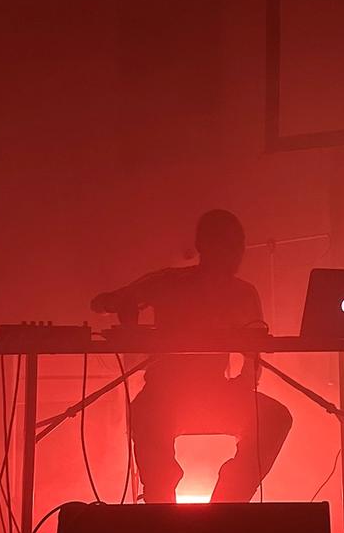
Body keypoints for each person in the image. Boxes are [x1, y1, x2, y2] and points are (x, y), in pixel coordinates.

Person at [91, 209, 292, 503]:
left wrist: (245, 382)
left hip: (212, 393)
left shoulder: (242, 293)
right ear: (203, 245)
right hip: (166, 393)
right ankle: (163, 512)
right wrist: (125, 309)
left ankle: (225, 507)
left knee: (274, 418)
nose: (235, 253)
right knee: (145, 414)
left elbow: (254, 350)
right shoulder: (168, 282)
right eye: (227, 244)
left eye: (238, 244)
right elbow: (102, 303)